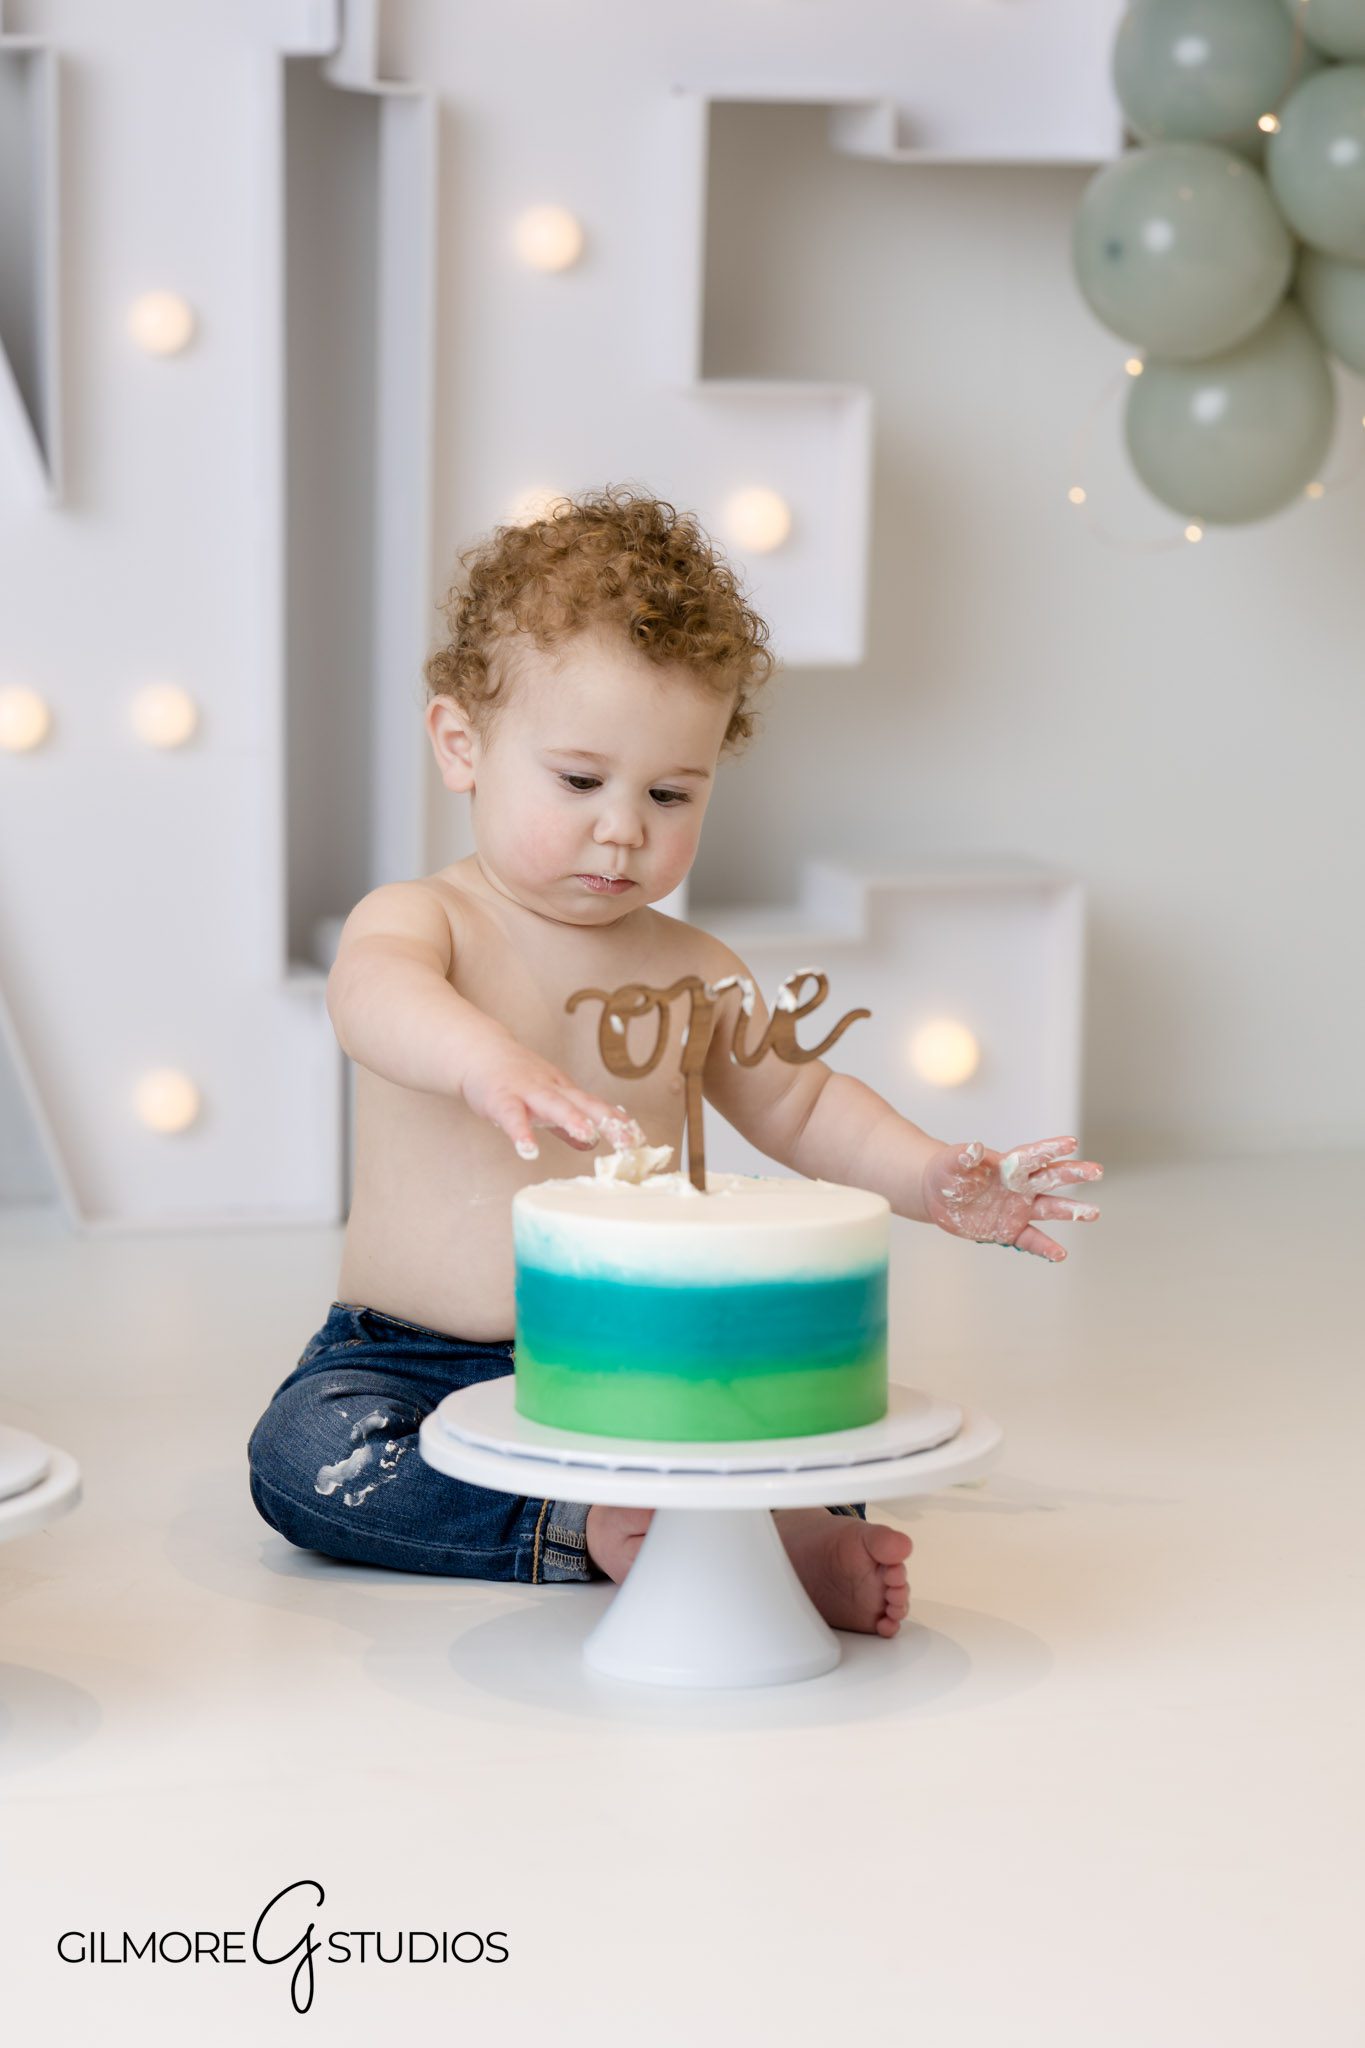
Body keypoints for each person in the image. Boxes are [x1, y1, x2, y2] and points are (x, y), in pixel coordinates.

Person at [247, 485, 1102, 1638]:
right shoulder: (426, 921)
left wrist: (933, 1179)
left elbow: (802, 1102)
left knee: (781, 1423)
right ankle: (579, 1526)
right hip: (417, 1358)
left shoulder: (694, 967)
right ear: (463, 744)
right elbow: (372, 999)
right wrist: (484, 1059)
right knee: (304, 1453)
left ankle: (777, 1531)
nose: (623, 827)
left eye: (669, 793)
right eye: (580, 780)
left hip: (642, 1358)